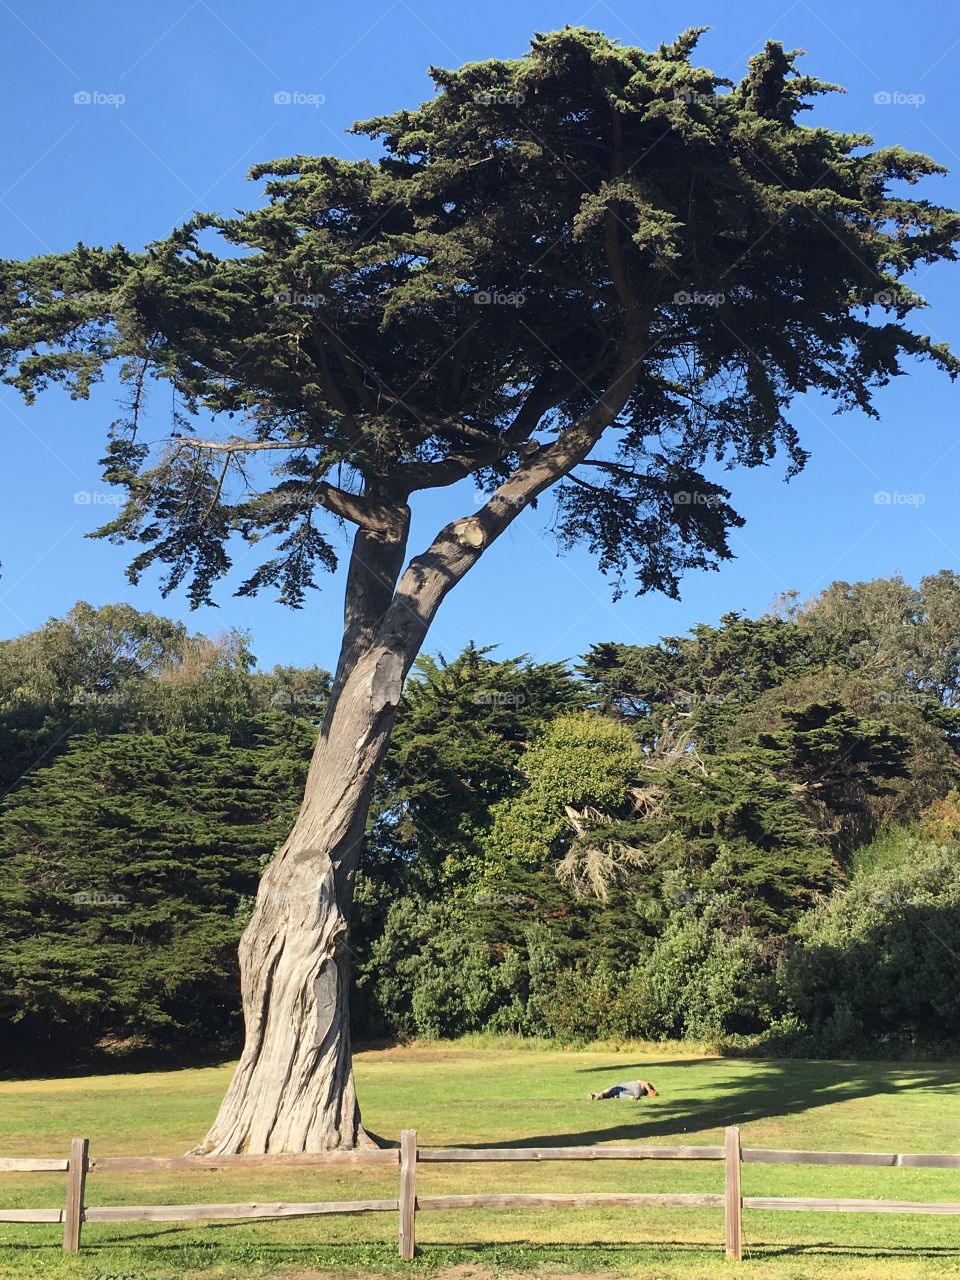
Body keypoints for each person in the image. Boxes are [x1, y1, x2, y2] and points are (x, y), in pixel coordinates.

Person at [588, 1079, 658, 1100]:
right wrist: (650, 1091)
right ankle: (598, 1095)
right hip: (638, 1093)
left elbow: (645, 1083)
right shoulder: (643, 1092)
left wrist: (649, 1090)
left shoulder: (640, 1082)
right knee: (620, 1094)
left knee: (615, 1089)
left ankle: (599, 1095)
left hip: (635, 1088)